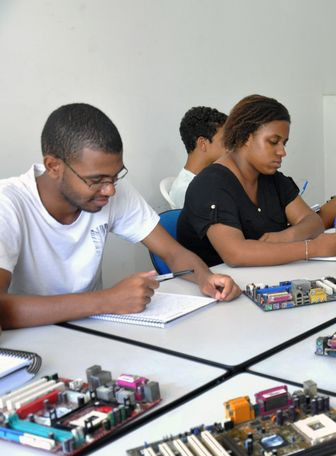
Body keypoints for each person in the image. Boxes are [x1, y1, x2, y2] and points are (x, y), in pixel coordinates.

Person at [0, 103, 241, 330]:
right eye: (97, 181)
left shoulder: (110, 189)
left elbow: (173, 252)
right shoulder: (8, 204)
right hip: (29, 343)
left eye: (115, 177)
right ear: (53, 166)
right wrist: (106, 300)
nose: (110, 190)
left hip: (92, 331)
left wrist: (206, 278)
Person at [177, 94, 336, 267]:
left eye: (284, 143)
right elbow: (236, 254)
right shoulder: (210, 185)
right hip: (220, 287)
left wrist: (284, 237)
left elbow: (313, 221)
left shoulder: (271, 178)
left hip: (266, 278)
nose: (282, 151)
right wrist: (311, 248)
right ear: (245, 137)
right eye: (273, 142)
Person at [172, 106, 336, 229]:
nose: (232, 145)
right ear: (203, 144)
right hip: (251, 246)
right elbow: (237, 243)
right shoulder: (197, 188)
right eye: (226, 140)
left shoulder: (259, 176)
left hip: (276, 232)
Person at [169, 106, 228, 208]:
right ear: (203, 143)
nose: (230, 146)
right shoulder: (185, 189)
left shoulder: (213, 177)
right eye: (224, 140)